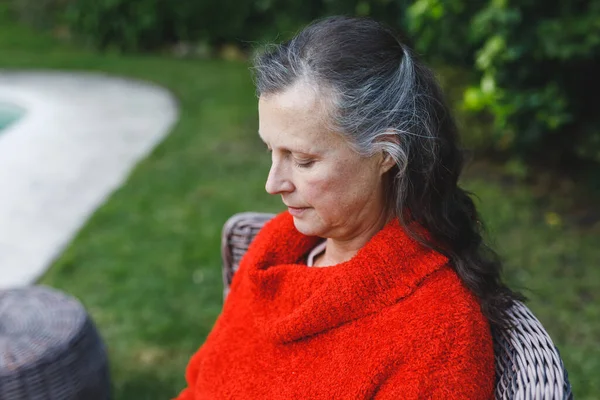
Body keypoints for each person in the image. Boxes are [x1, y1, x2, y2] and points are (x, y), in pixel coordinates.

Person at [174, 15, 521, 399]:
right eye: (270, 150)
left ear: (386, 153)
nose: (273, 184)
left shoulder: (437, 332)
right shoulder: (274, 249)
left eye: (303, 160)